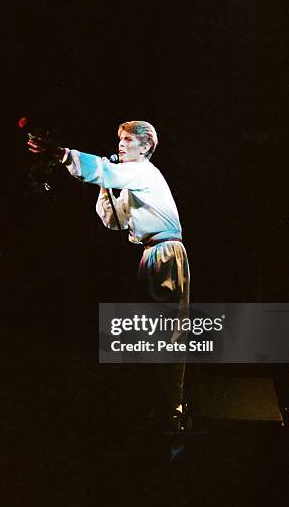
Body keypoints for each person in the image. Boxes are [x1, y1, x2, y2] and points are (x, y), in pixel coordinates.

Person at [27, 120, 190, 422]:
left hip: (164, 252)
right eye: (121, 139)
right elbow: (113, 221)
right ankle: (157, 405)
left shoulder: (144, 171)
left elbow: (103, 168)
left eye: (129, 140)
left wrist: (62, 154)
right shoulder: (133, 181)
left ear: (145, 147)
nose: (121, 144)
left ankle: (171, 409)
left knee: (166, 331)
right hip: (151, 252)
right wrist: (104, 185)